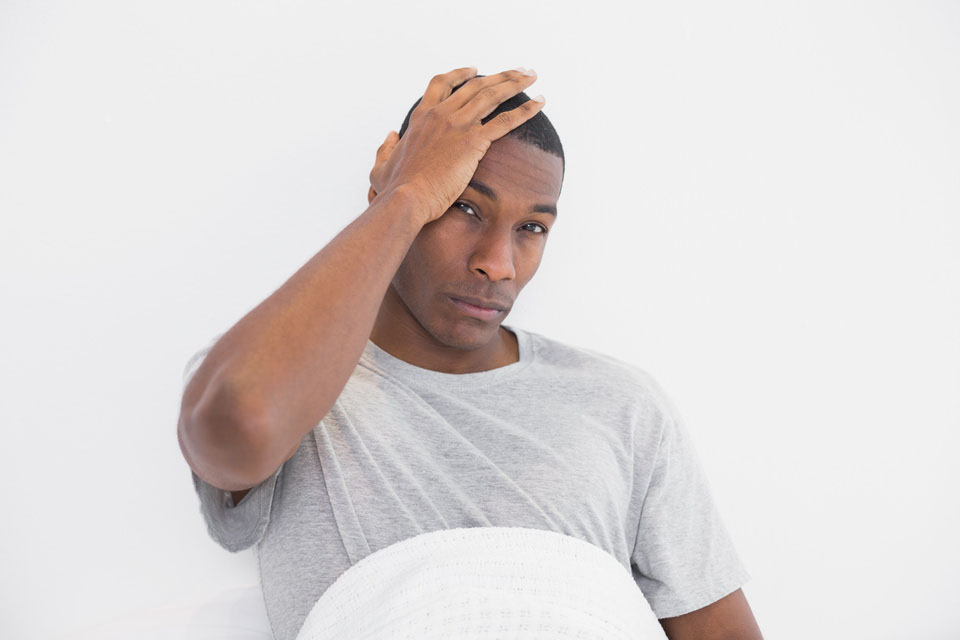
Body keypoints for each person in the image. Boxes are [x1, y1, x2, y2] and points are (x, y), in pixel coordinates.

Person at [178, 65, 764, 640]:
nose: (498, 263)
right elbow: (239, 423)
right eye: (463, 206)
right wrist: (403, 196)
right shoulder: (293, 379)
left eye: (532, 228)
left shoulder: (620, 403)